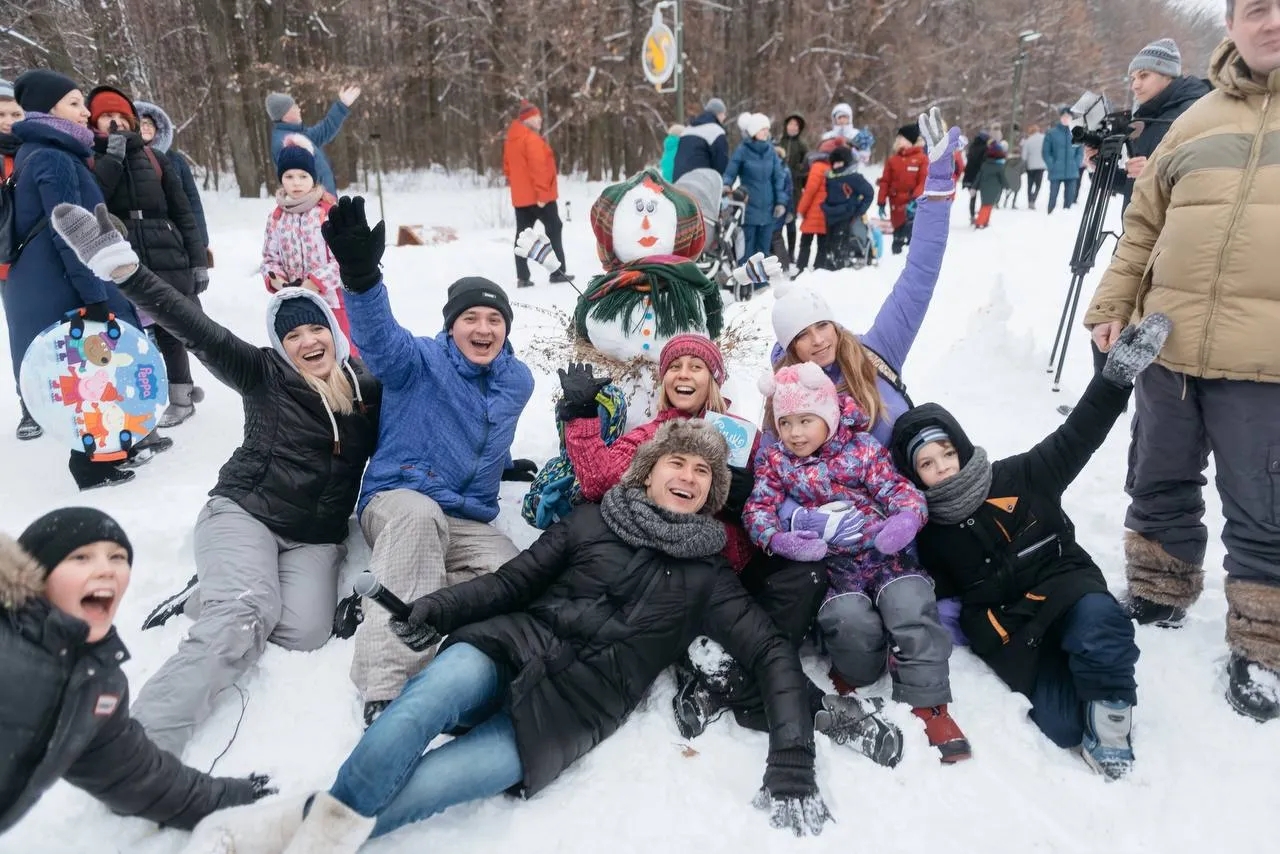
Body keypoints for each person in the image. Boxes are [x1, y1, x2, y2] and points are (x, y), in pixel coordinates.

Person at [183, 420, 865, 850]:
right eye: (676, 463)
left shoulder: (710, 576)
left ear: (713, 492)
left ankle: (291, 825)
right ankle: (319, 843)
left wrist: (792, 764)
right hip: (512, 642)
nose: (687, 476)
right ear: (648, 470)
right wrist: (440, 611)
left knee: (440, 781)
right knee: (418, 707)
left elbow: (772, 653)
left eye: (702, 472)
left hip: (577, 708)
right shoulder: (591, 522)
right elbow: (512, 584)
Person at [47, 200, 381, 756]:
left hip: (313, 537)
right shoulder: (262, 373)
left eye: (314, 327)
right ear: (280, 346)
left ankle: (211, 591)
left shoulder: (368, 389)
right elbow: (193, 327)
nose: (305, 341)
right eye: (291, 335)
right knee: (243, 618)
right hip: (244, 513)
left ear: (334, 331)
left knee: (304, 632)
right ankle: (140, 743)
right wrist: (124, 269)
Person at [1083, 16, 1280, 723]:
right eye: (1257, 5)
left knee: (1266, 503)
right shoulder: (1196, 119)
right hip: (1169, 342)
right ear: (1233, 22)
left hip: (1266, 361)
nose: (1273, 19)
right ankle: (1160, 588)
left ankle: (1264, 642)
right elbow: (1143, 224)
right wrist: (1113, 300)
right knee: (1158, 473)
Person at [890, 314, 1172, 778]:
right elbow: (915, 587)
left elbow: (1078, 434)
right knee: (1062, 727)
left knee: (1103, 627)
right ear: (914, 474)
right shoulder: (929, 532)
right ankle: (1091, 687)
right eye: (926, 463)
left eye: (946, 453)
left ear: (960, 447)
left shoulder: (1021, 476)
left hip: (1068, 589)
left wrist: (1115, 379)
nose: (942, 467)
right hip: (1017, 631)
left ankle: (1112, 725)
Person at [320, 196, 537, 727]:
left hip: (466, 517)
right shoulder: (416, 360)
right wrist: (361, 276)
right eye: (470, 318)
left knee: (517, 578)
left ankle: (407, 610)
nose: (483, 329)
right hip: (400, 499)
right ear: (450, 326)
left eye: (494, 319)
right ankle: (386, 689)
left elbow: (488, 429)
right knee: (418, 523)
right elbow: (376, 338)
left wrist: (503, 462)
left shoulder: (518, 380)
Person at [0, 507, 274, 834]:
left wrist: (228, 797)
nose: (106, 570)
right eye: (81, 558)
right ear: (38, 572)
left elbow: (133, 775)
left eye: (117, 557)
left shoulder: (91, 680)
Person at [748, 362, 970, 763]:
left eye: (805, 420)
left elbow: (897, 487)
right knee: (849, 621)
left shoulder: (862, 448)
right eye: (785, 423)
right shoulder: (776, 462)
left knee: (909, 605)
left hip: (884, 554)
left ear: (829, 417)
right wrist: (781, 539)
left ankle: (929, 701)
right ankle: (860, 670)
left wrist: (905, 519)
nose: (795, 433)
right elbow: (757, 509)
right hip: (834, 568)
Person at [3, 69, 143, 490]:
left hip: (47, 280)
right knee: (94, 364)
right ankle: (93, 465)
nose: (85, 112)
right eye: (75, 103)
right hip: (63, 282)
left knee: (89, 367)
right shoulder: (51, 155)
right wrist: (94, 295)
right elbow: (71, 232)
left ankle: (107, 452)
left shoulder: (40, 149)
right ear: (50, 109)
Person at [87, 85, 208, 429]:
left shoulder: (157, 158)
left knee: (171, 325)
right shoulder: (91, 159)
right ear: (94, 122)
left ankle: (181, 395)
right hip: (122, 250)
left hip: (165, 247)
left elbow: (183, 210)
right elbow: (95, 198)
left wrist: (197, 260)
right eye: (106, 117)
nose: (114, 124)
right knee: (129, 329)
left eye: (120, 117)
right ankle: (138, 399)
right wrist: (111, 160)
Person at [1092, 39, 1212, 213]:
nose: (1135, 85)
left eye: (1143, 76)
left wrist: (1156, 173)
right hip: (1145, 233)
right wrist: (1100, 168)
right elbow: (1137, 187)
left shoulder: (1192, 113)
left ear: (1168, 74)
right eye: (1133, 78)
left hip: (1172, 235)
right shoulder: (1153, 117)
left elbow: (1210, 185)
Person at [261, 135, 355, 352]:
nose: (296, 182)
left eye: (303, 176)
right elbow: (269, 258)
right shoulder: (276, 217)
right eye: (289, 176)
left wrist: (314, 282)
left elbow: (344, 260)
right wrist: (278, 281)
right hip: (295, 302)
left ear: (313, 177)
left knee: (342, 352)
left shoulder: (328, 212)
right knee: (307, 354)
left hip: (332, 301)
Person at [0, 78, 41, 442]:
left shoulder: (37, 148)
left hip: (45, 257)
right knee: (23, 334)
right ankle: (29, 405)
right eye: (0, 113)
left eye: (15, 112)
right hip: (8, 264)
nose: (8, 119)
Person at [502, 100, 571, 288]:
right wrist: (542, 195)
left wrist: (519, 187)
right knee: (554, 228)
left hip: (521, 199)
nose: (540, 120)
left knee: (522, 237)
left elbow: (507, 169)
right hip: (540, 198)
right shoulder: (530, 139)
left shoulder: (511, 140)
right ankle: (558, 272)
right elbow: (539, 169)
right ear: (528, 119)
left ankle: (523, 277)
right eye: (537, 117)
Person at [134, 99, 209, 252]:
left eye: (150, 123)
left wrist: (201, 239)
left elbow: (192, 200)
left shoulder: (175, 160)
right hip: (139, 237)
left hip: (174, 233)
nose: (146, 127)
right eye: (142, 123)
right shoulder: (126, 159)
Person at [266, 87, 360, 197]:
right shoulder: (288, 142)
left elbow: (325, 129)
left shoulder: (299, 135)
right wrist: (320, 205)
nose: (299, 109)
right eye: (294, 107)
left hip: (323, 203)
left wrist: (342, 105)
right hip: (315, 206)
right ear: (285, 113)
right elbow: (298, 184)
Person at [723, 113, 788, 263]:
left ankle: (761, 283)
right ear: (753, 132)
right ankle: (746, 283)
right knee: (747, 249)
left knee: (763, 250)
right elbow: (730, 172)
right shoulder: (742, 150)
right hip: (749, 206)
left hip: (768, 207)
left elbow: (778, 178)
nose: (766, 132)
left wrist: (780, 202)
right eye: (762, 129)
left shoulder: (771, 151)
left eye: (767, 129)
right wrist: (726, 185)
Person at [876, 123, 928, 255]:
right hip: (895, 206)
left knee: (912, 240)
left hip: (913, 208)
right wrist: (881, 202)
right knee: (897, 239)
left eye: (902, 137)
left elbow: (923, 182)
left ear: (910, 140)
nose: (898, 139)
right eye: (898, 137)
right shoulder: (893, 160)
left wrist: (915, 199)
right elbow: (885, 182)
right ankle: (895, 264)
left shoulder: (922, 159)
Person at [820, 146, 875, 269]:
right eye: (835, 163)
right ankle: (829, 265)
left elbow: (869, 193)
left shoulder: (854, 177)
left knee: (840, 242)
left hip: (846, 215)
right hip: (830, 214)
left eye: (840, 163)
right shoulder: (829, 177)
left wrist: (860, 210)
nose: (837, 166)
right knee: (829, 242)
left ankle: (840, 267)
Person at [672, 97, 729, 181]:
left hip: (679, 181)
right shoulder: (717, 131)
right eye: (724, 113)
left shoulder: (688, 129)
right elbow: (721, 163)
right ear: (718, 114)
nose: (724, 117)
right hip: (700, 183)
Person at [780, 113, 808, 263]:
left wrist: (800, 172)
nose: (792, 127)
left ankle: (791, 253)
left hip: (795, 190)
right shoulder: (779, 143)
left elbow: (807, 170)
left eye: (796, 125)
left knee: (791, 222)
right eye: (790, 124)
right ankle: (778, 252)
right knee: (777, 222)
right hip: (779, 187)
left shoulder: (802, 146)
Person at [1042, 107, 1083, 214]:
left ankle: (1066, 217)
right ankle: (1049, 215)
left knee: (1069, 197)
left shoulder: (1076, 133)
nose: (1065, 119)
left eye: (1068, 117)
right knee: (1053, 196)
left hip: (1071, 171)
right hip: (1056, 170)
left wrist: (1076, 163)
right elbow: (1046, 152)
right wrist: (1052, 165)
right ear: (1060, 118)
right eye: (1064, 117)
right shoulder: (1051, 133)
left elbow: (1080, 151)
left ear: (1071, 118)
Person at [974, 139, 1009, 228]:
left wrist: (974, 187)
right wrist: (1007, 186)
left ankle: (985, 221)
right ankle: (980, 222)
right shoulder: (999, 166)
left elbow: (979, 176)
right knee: (987, 206)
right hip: (994, 189)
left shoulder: (985, 164)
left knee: (986, 205)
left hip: (984, 188)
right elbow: (1003, 178)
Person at [961, 130, 989, 224]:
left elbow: (969, 158)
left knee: (972, 197)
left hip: (969, 174)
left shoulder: (972, 146)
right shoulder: (985, 148)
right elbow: (984, 162)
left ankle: (972, 216)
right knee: (983, 197)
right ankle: (981, 217)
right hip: (979, 175)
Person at [1021, 124, 1046, 209]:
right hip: (1041, 166)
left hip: (1030, 166)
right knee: (1038, 185)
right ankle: (1033, 200)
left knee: (1030, 185)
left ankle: (1029, 201)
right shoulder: (1044, 138)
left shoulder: (1028, 140)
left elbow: (1024, 156)